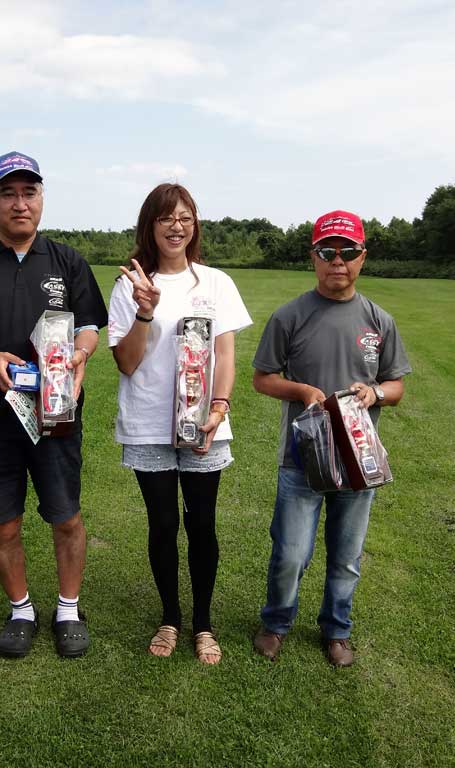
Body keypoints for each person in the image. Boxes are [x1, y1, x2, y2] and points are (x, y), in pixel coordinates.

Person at [0, 151, 108, 659]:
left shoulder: (67, 261)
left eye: (29, 192)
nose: (19, 203)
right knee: (3, 522)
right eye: (7, 193)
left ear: (42, 199)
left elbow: (89, 327)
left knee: (65, 516)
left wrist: (79, 357)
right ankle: (22, 610)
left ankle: (68, 610)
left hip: (57, 415)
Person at [251, 209, 411, 667]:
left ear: (363, 257)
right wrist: (302, 391)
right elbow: (262, 378)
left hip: (359, 460)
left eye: (347, 252)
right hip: (303, 458)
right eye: (327, 252)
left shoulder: (379, 320)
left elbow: (396, 386)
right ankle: (276, 622)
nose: (337, 261)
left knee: (346, 556)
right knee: (291, 553)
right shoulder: (290, 316)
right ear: (313, 257)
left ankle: (337, 630)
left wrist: (376, 392)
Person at [108, 183, 252, 665]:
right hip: (149, 422)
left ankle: (204, 623)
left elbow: (225, 355)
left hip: (205, 425)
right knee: (163, 524)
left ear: (195, 225)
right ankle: (170, 616)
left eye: (186, 217)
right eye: (166, 218)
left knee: (202, 524)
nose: (177, 227)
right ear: (150, 225)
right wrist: (144, 311)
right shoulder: (130, 284)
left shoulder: (215, 282)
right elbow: (127, 363)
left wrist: (219, 408)